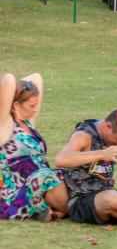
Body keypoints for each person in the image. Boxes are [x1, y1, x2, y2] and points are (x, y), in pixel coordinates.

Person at [55, 107, 117, 229]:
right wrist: (102, 154)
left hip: (107, 191)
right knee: (112, 199)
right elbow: (61, 159)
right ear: (108, 126)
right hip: (82, 200)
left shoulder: (116, 136)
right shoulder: (83, 135)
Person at [0, 72, 68, 221]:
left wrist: (25, 90)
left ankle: (54, 209)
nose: (36, 109)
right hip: (19, 193)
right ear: (16, 105)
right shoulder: (4, 124)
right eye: (31, 105)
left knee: (71, 172)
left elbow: (36, 77)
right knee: (46, 176)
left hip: (43, 184)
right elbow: (9, 80)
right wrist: (13, 104)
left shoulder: (29, 122)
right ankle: (75, 210)